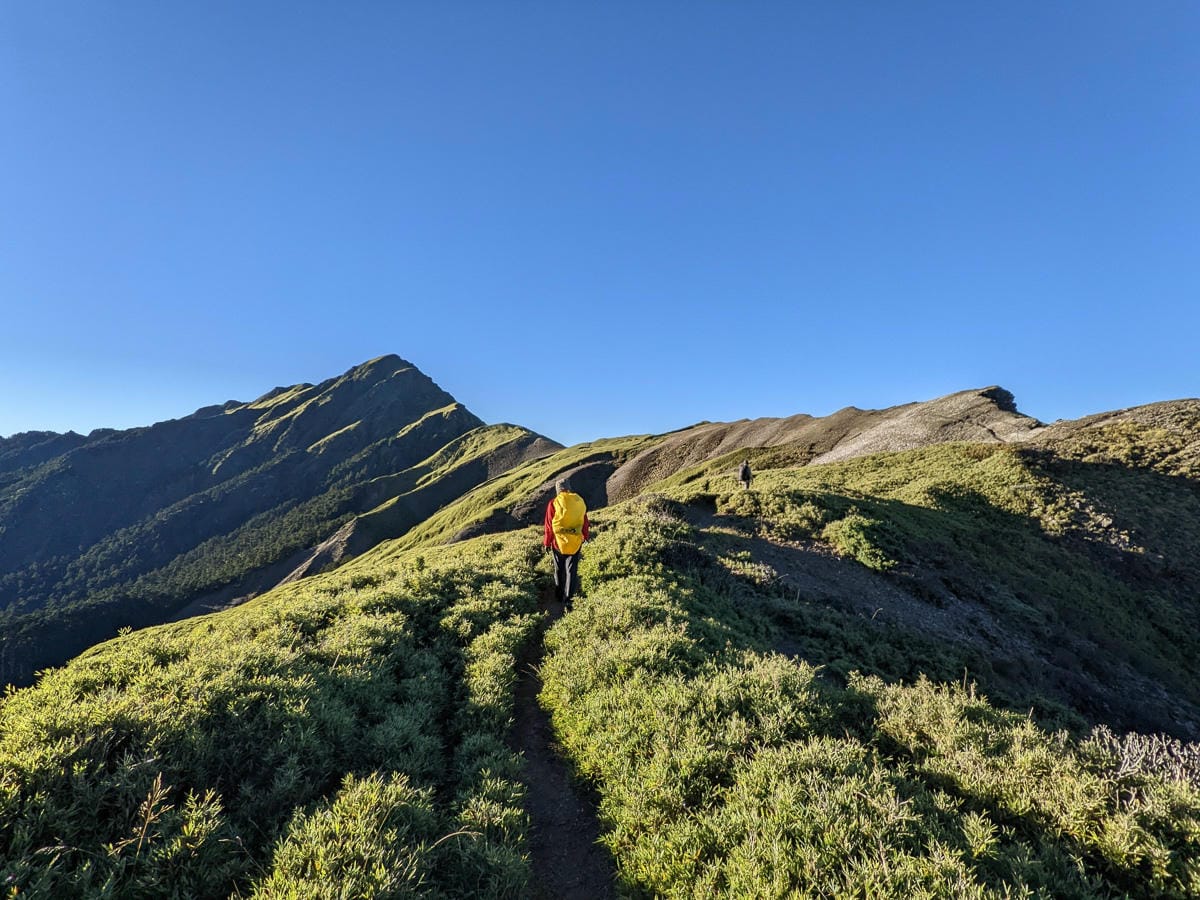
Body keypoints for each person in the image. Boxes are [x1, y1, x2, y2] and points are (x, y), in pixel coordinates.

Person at [544, 477, 589, 607]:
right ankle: (568, 599)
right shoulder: (579, 501)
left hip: (558, 543)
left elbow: (548, 526)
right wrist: (585, 537)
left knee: (559, 569)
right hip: (575, 542)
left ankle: (559, 595)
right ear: (569, 488)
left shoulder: (553, 503)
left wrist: (547, 542)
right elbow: (585, 522)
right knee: (571, 570)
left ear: (558, 490)